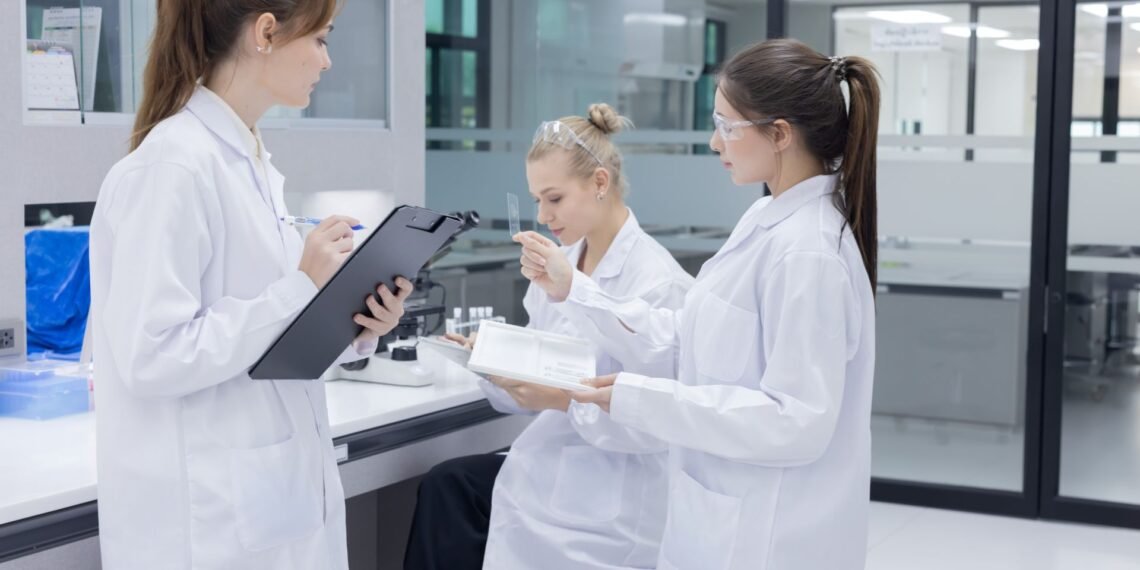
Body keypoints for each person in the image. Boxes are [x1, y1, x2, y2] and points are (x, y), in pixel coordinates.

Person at [521, 38, 881, 570]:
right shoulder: (766, 220)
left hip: (768, 535)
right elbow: (688, 337)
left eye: (727, 126)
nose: (715, 142)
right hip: (718, 516)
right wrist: (574, 288)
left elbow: (797, 423)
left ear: (779, 134)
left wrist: (643, 398)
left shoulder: (807, 252)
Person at [88, 1, 412, 568]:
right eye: (321, 39)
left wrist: (358, 324)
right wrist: (299, 288)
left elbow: (269, 344)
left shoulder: (251, 166)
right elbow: (153, 357)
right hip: (204, 526)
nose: (327, 61)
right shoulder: (172, 168)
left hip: (270, 503)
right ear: (266, 32)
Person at [403, 104, 693, 570]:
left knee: (454, 493)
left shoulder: (659, 283)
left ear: (600, 183)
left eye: (554, 199)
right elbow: (531, 387)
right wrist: (496, 362)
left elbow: (661, 421)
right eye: (536, 199)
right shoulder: (562, 262)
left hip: (613, 492)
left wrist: (561, 399)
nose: (542, 215)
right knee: (447, 487)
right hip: (551, 467)